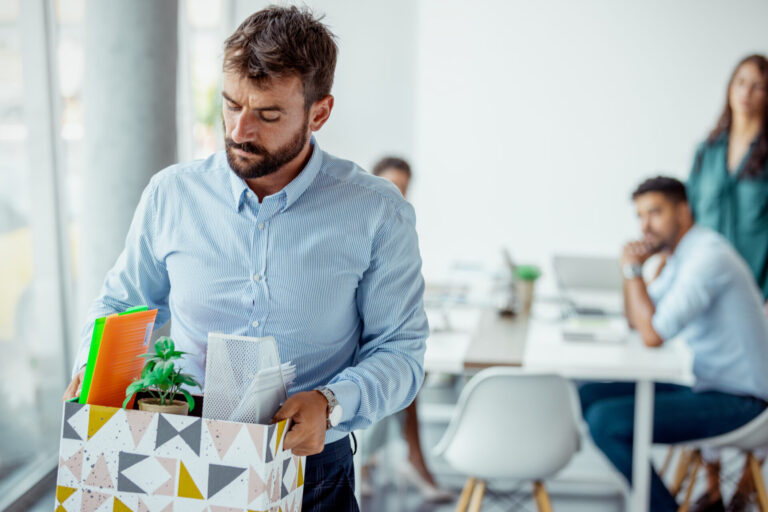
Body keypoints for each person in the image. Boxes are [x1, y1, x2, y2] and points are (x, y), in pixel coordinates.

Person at [61, 6, 428, 511]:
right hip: (178, 458)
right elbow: (122, 302)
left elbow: (401, 352)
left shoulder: (378, 212)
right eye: (230, 105)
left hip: (310, 473)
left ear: (319, 112)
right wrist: (92, 367)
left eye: (268, 115)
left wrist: (331, 403)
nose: (239, 130)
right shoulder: (171, 194)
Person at [580, 176, 768, 512]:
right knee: (588, 394)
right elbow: (636, 320)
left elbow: (652, 336)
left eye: (655, 213)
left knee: (606, 421)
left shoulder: (707, 258)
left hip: (744, 402)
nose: (645, 226)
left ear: (684, 210)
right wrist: (632, 272)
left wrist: (634, 270)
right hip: (706, 385)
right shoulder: (681, 256)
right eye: (640, 216)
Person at [685, 54, 768, 512]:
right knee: (708, 380)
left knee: (755, 387)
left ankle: (745, 491)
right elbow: (689, 216)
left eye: (758, 86)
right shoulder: (708, 149)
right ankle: (712, 488)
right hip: (707, 293)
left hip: (758, 295)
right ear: (730, 87)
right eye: (742, 82)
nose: (748, 92)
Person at [360, 157, 452, 501]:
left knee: (405, 371)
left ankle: (373, 461)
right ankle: (407, 462)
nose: (398, 193)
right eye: (391, 185)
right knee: (399, 375)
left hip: (383, 336)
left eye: (404, 188)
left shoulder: (397, 225)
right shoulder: (357, 224)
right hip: (356, 343)